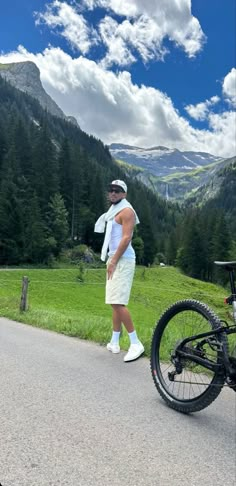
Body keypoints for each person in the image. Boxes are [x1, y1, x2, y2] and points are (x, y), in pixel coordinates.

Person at [94, 179, 144, 362]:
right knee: (114, 300)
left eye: (117, 190)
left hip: (122, 259)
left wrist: (113, 261)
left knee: (118, 302)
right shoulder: (113, 211)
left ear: (124, 193)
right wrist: (111, 259)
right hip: (114, 258)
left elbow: (126, 238)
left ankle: (135, 343)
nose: (113, 193)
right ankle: (114, 341)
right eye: (111, 190)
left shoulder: (127, 211)